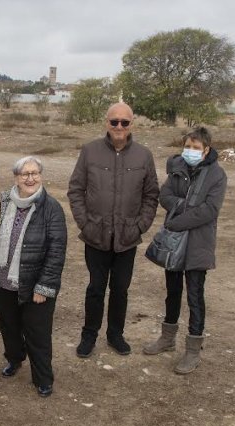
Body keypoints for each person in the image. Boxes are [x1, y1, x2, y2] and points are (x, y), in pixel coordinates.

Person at [68, 102, 159, 357]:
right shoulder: (89, 151)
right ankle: (89, 336)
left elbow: (151, 195)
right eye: (114, 121)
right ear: (106, 123)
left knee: (120, 289)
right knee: (95, 289)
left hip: (127, 238)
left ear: (132, 125)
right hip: (95, 235)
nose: (119, 127)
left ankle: (115, 335)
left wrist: (140, 225)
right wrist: (85, 223)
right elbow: (76, 190)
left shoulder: (144, 155)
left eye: (125, 122)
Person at [143, 127, 227, 374]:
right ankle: (167, 338)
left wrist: (177, 220)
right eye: (188, 146)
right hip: (173, 243)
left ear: (206, 150)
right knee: (172, 291)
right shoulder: (177, 168)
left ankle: (193, 349)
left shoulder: (217, 175)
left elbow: (210, 210)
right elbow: (165, 195)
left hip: (198, 245)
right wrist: (185, 205)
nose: (191, 151)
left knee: (195, 296)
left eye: (196, 148)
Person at [0, 156, 67, 397]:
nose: (30, 178)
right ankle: (14, 359)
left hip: (35, 285)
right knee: (9, 327)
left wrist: (44, 287)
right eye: (25, 174)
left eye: (35, 173)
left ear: (41, 176)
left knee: (37, 333)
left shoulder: (51, 208)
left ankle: (43, 378)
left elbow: (56, 251)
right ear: (16, 177)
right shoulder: (2, 201)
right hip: (4, 282)